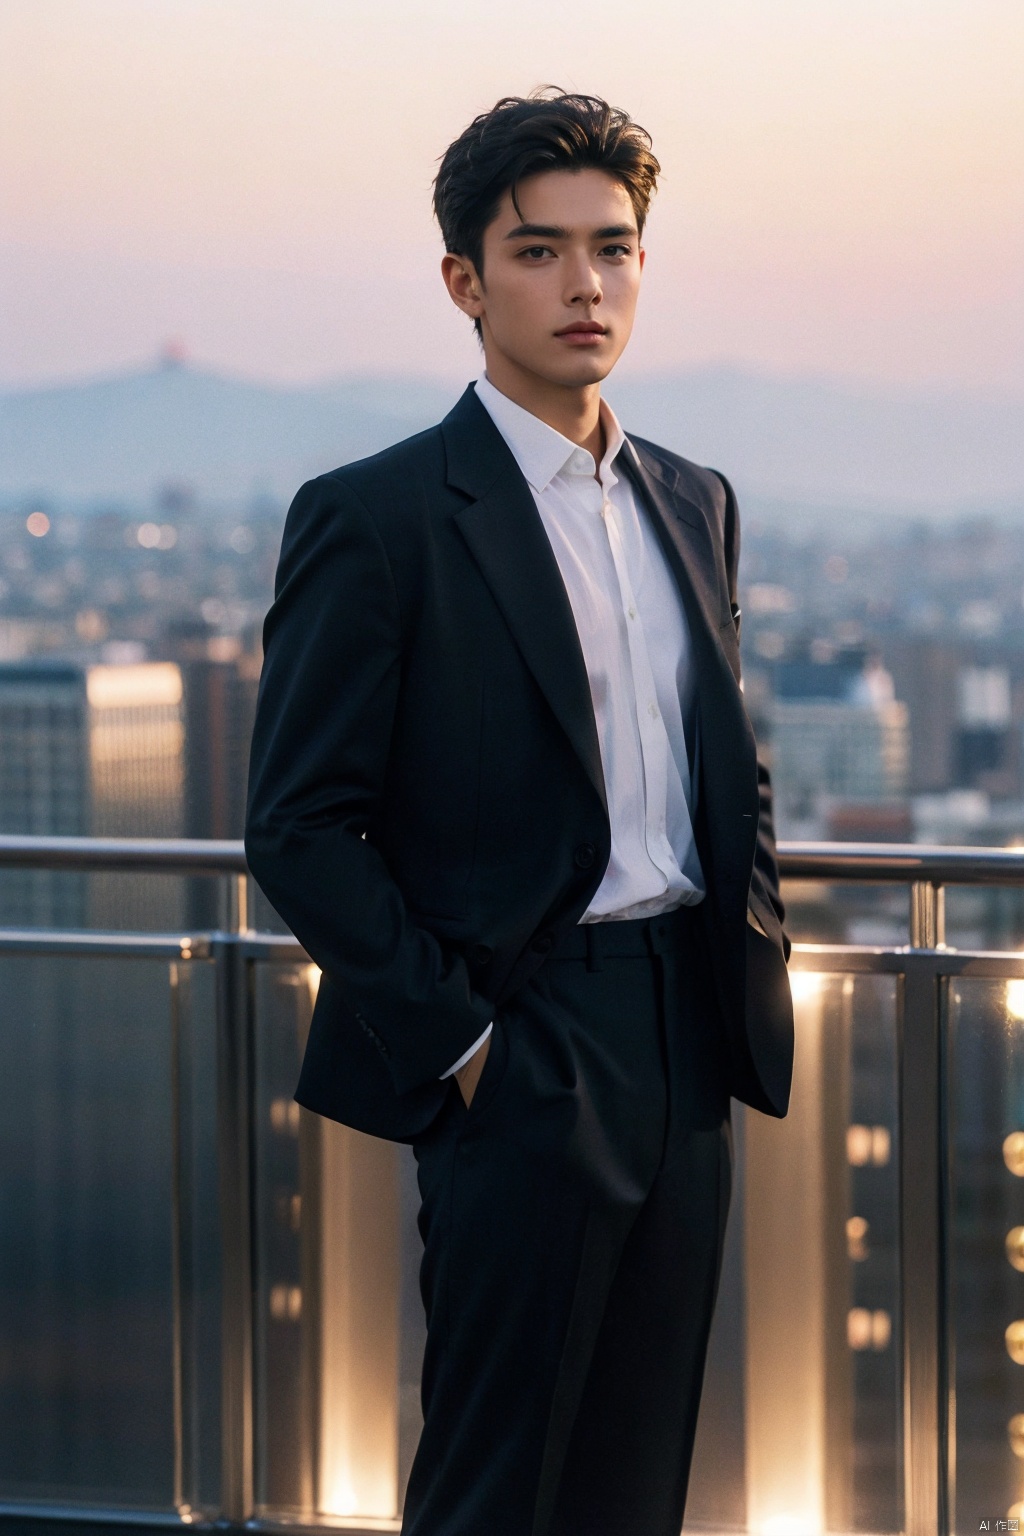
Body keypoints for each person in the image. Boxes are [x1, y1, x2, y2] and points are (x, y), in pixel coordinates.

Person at [246, 88, 794, 1536]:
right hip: (525, 1041)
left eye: (613, 248)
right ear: (465, 282)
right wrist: (471, 1048)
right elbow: (298, 822)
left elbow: (729, 771)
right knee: (500, 1481)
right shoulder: (380, 515)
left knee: (636, 1477)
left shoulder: (695, 497)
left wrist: (746, 974)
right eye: (539, 251)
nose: (584, 285)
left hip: (686, 1040)